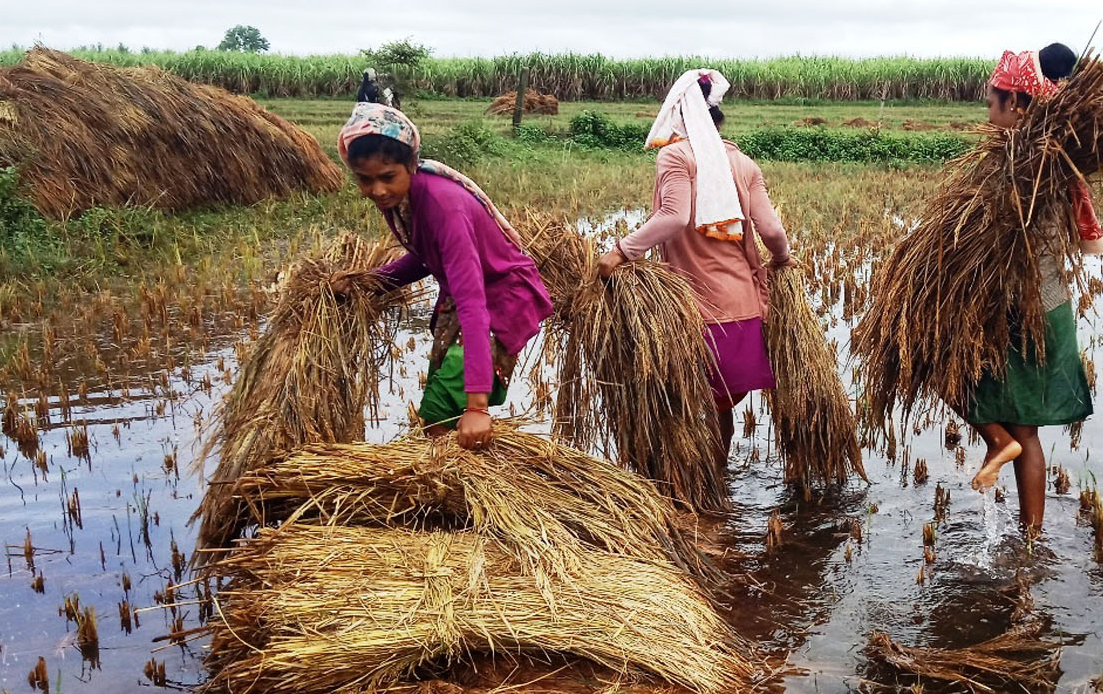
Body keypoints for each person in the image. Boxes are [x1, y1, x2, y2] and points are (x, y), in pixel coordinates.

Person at [596, 69, 794, 460]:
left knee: (685, 403)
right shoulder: (743, 163)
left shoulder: (676, 155)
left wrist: (620, 252)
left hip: (692, 310)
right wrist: (782, 260)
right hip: (742, 307)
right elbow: (771, 230)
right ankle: (717, 480)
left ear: (680, 117)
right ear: (717, 118)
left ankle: (693, 485)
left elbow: (673, 217)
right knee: (720, 404)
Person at [334, 101, 553, 449]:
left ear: (410, 165)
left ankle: (469, 486)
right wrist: (370, 282)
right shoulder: (405, 200)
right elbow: (425, 258)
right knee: (442, 413)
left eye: (387, 177)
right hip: (466, 298)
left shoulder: (443, 205)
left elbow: (473, 301)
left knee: (440, 412)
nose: (377, 190)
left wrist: (477, 407)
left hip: (501, 300)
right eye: (365, 180)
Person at [966, 44, 1100, 536]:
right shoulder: (1055, 159)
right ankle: (1031, 541)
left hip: (1018, 310)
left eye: (992, 103)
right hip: (1052, 306)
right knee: (1029, 430)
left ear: (1016, 106)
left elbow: (991, 243)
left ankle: (998, 442)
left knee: (935, 367)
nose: (988, 112)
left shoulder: (1019, 166)